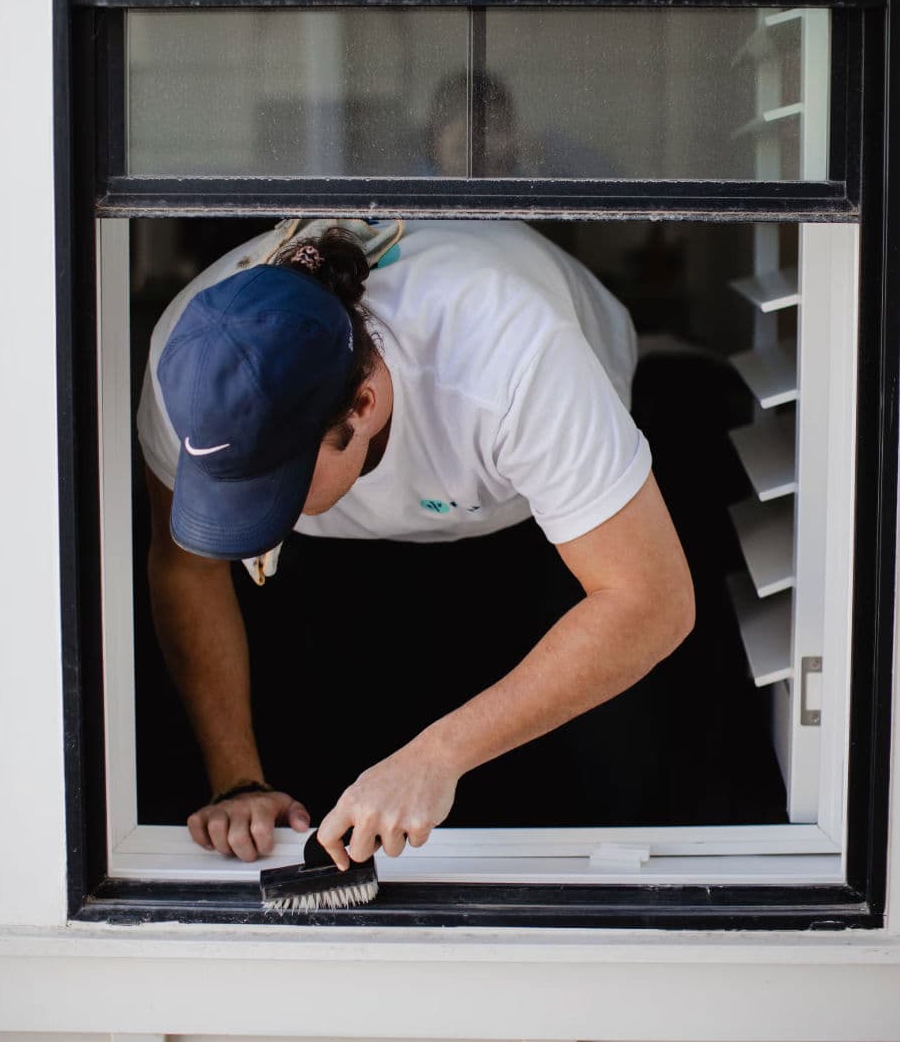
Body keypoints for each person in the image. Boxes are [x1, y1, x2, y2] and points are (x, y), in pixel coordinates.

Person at [137, 220, 694, 871]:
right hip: (343, 554)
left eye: (274, 486)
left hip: (532, 523)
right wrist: (238, 782)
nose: (249, 516)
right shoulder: (190, 358)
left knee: (593, 773)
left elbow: (649, 601)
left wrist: (439, 755)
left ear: (363, 405)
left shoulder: (512, 357)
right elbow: (187, 567)